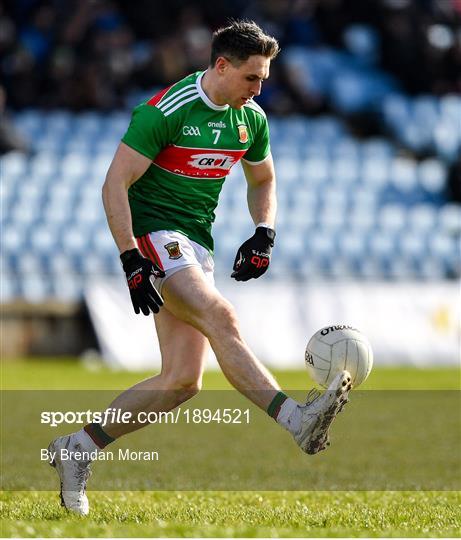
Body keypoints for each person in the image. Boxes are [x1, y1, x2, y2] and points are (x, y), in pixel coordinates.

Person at [48, 20, 352, 516]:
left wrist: (264, 231)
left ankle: (76, 448)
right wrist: (130, 257)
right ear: (221, 66)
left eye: (264, 79)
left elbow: (264, 179)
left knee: (183, 381)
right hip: (154, 235)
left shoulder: (250, 119)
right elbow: (115, 185)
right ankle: (296, 418)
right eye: (252, 77)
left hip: (195, 243)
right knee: (222, 318)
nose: (259, 89)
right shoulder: (165, 109)